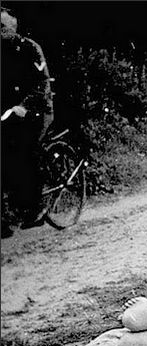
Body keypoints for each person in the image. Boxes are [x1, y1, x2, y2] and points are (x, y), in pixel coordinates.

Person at [1, 8, 53, 238]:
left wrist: (24, 106)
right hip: (9, 112)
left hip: (36, 110)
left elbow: (41, 84)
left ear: (14, 27)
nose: (0, 32)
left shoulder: (30, 49)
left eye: (3, 28)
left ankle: (37, 208)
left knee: (29, 150)